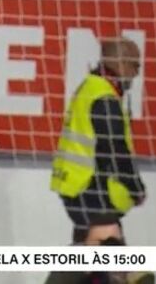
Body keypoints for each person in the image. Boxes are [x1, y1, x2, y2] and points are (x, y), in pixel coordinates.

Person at [50, 37, 145, 244]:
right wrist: (135, 188)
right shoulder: (104, 97)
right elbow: (115, 148)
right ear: (120, 63)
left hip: (75, 186)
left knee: (86, 247)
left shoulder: (89, 87)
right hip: (91, 189)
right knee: (109, 251)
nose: (137, 73)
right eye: (135, 65)